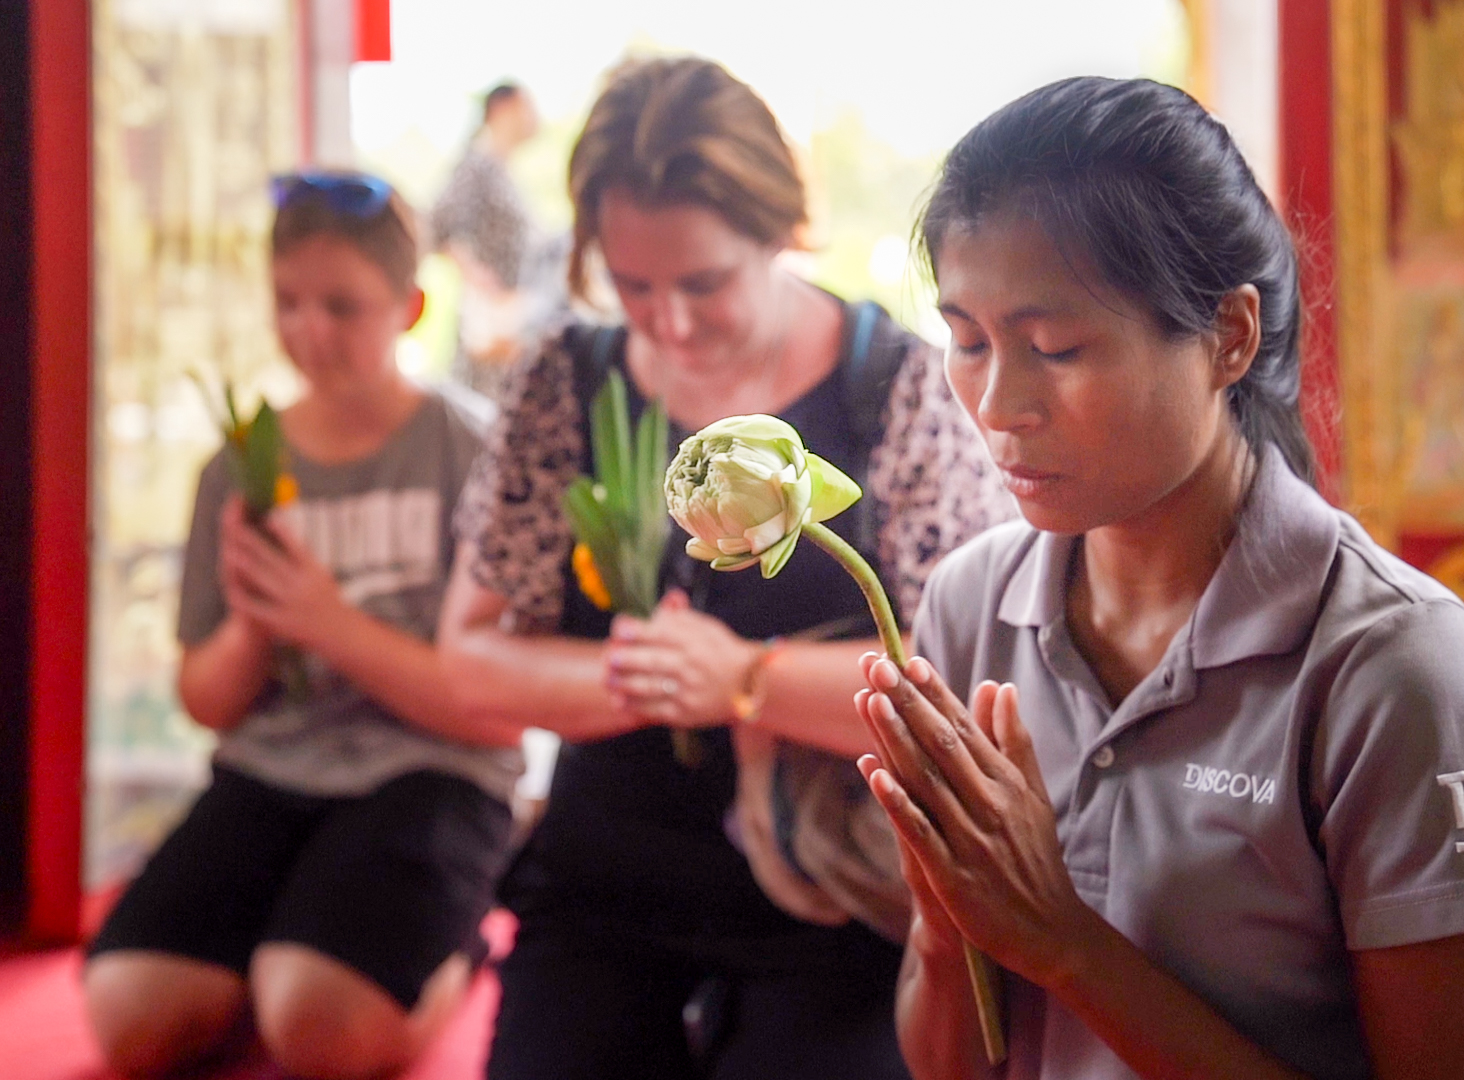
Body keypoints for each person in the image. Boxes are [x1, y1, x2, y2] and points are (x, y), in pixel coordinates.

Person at [852, 77, 1464, 1080]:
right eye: (966, 341)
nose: (998, 403)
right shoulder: (970, 605)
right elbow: (952, 1061)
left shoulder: (1392, 669)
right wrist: (947, 918)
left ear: (1229, 334)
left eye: (1056, 347)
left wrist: (1062, 942)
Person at [439, 56, 1011, 1079]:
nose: (670, 322)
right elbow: (469, 658)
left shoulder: (897, 386)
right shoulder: (563, 385)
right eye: (632, 285)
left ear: (781, 230)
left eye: (704, 282)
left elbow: (962, 680)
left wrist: (746, 681)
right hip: (602, 892)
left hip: (840, 899)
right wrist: (653, 679)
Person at [84, 172, 520, 1080]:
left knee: (318, 1029)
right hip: (269, 768)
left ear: (410, 307)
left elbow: (500, 714)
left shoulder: (471, 451)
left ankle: (448, 946)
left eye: (341, 305)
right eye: (287, 302)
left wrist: (327, 622)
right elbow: (206, 700)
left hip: (432, 773)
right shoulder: (238, 467)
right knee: (130, 1017)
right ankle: (296, 942)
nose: (308, 331)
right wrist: (253, 624)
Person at [430, 82, 571, 400]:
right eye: (528, 107)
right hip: (490, 329)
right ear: (502, 109)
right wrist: (479, 279)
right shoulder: (478, 165)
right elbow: (439, 224)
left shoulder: (504, 170)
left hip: (514, 324)